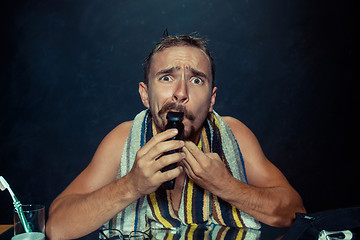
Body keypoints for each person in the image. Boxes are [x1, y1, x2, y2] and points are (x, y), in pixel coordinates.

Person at [46, 34, 306, 239]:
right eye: (167, 77)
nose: (180, 93)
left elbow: (296, 214)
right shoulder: (121, 140)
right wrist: (132, 185)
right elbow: (57, 227)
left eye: (196, 80)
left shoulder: (235, 135)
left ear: (212, 99)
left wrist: (227, 185)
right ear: (145, 94)